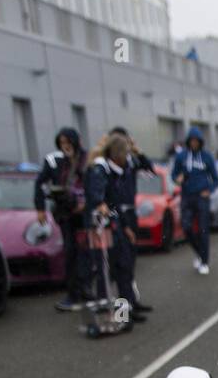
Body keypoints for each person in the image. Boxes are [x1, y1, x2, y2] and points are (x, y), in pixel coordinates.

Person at [84, 133, 146, 326]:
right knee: (105, 270)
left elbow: (115, 203)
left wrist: (126, 226)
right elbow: (97, 197)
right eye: (124, 154)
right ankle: (108, 315)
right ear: (116, 154)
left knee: (123, 268)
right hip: (100, 228)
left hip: (114, 224)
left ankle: (124, 313)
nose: (126, 159)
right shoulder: (100, 169)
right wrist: (100, 204)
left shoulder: (114, 170)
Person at [34, 127, 89, 311]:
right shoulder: (56, 162)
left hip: (85, 217)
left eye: (68, 142)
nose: (65, 146)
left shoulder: (86, 160)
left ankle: (86, 291)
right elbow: (40, 184)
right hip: (66, 216)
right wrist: (40, 208)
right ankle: (73, 294)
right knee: (71, 253)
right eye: (62, 143)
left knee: (87, 254)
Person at [108, 126, 154, 315]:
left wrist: (138, 150)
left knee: (129, 264)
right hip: (114, 218)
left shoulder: (129, 162)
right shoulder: (106, 166)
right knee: (118, 268)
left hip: (129, 214)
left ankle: (131, 304)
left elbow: (149, 168)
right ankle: (122, 314)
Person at [171, 126, 218, 274]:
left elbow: (216, 179)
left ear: (200, 142)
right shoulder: (182, 156)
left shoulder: (207, 157)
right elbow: (174, 174)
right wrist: (177, 179)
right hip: (187, 196)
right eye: (191, 140)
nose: (194, 143)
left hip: (202, 197)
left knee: (204, 229)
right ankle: (199, 253)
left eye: (196, 141)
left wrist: (209, 190)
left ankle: (204, 261)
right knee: (186, 227)